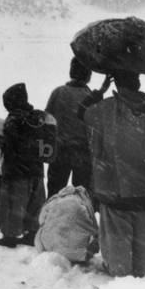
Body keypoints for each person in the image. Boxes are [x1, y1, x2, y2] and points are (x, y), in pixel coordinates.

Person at [85, 70, 145, 277]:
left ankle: (120, 274)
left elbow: (83, 114)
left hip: (117, 186)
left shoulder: (106, 108)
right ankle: (142, 270)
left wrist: (100, 91)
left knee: (117, 233)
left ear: (118, 86)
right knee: (142, 231)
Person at [0, 83, 49, 248]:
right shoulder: (37, 117)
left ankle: (9, 237)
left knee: (12, 205)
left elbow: (11, 143)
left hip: (17, 171)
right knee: (34, 204)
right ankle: (32, 234)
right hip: (37, 170)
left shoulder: (13, 118)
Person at [45, 58, 95, 197]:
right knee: (82, 197)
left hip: (59, 152)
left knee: (54, 194)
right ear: (88, 75)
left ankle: (52, 217)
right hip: (83, 154)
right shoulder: (89, 96)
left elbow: (47, 121)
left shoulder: (58, 92)